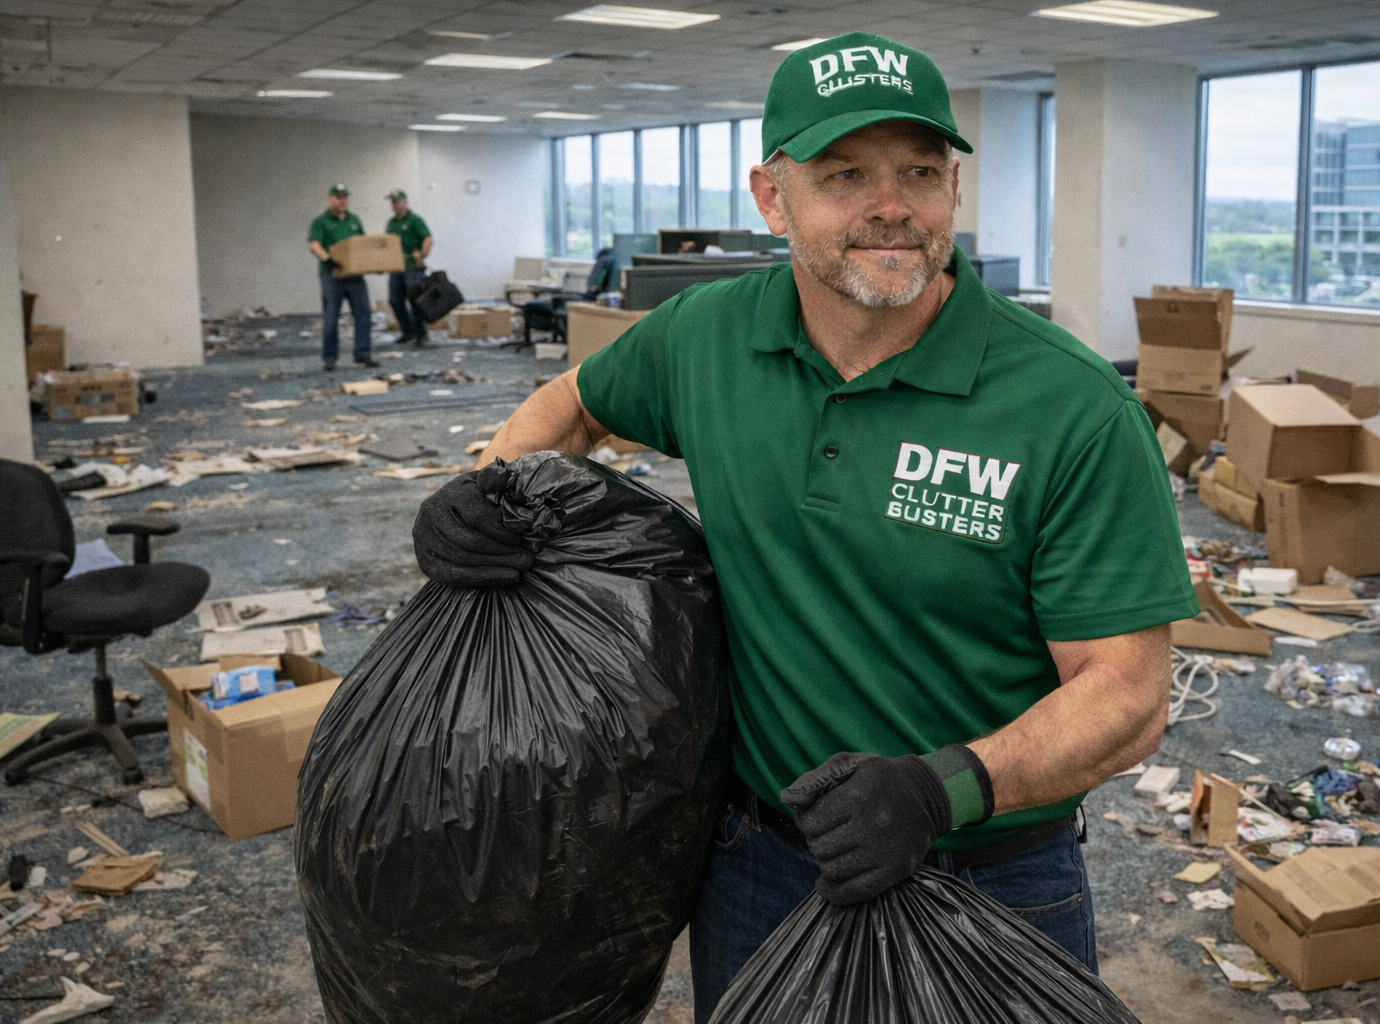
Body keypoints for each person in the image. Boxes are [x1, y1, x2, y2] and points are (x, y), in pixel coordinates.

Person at [415, 31, 1198, 1023]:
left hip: (988, 870)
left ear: (953, 187)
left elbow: (1126, 694)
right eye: (844, 175)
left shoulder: (1069, 406)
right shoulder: (708, 335)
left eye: (920, 170)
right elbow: (573, 403)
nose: (891, 205)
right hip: (760, 863)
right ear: (771, 196)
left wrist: (939, 790)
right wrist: (488, 492)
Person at [307, 184, 376, 370]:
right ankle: (330, 358)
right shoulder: (321, 222)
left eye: (345, 197)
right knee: (331, 317)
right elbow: (314, 245)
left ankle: (363, 353)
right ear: (330, 199)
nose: (342, 200)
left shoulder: (354, 220)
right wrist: (328, 260)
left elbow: (363, 245)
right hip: (332, 276)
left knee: (363, 314)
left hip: (355, 276)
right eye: (338, 197)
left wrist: (373, 264)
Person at [384, 189, 433, 346]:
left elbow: (427, 237)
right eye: (392, 202)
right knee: (395, 300)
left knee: (415, 300)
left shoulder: (414, 220)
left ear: (405, 202)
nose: (395, 205)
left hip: (413, 266)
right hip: (396, 267)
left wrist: (423, 254)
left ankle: (421, 334)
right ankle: (407, 331)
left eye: (397, 201)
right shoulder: (391, 223)